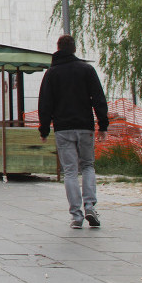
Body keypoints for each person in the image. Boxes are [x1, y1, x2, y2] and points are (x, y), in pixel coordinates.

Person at [38, 34, 109, 229]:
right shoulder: (86, 70)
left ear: (58, 48)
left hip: (63, 129)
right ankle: (90, 206)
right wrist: (103, 124)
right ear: (75, 49)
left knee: (70, 171)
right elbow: (98, 98)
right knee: (87, 166)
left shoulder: (52, 73)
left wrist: (44, 129)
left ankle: (76, 216)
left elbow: (45, 103)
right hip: (85, 127)